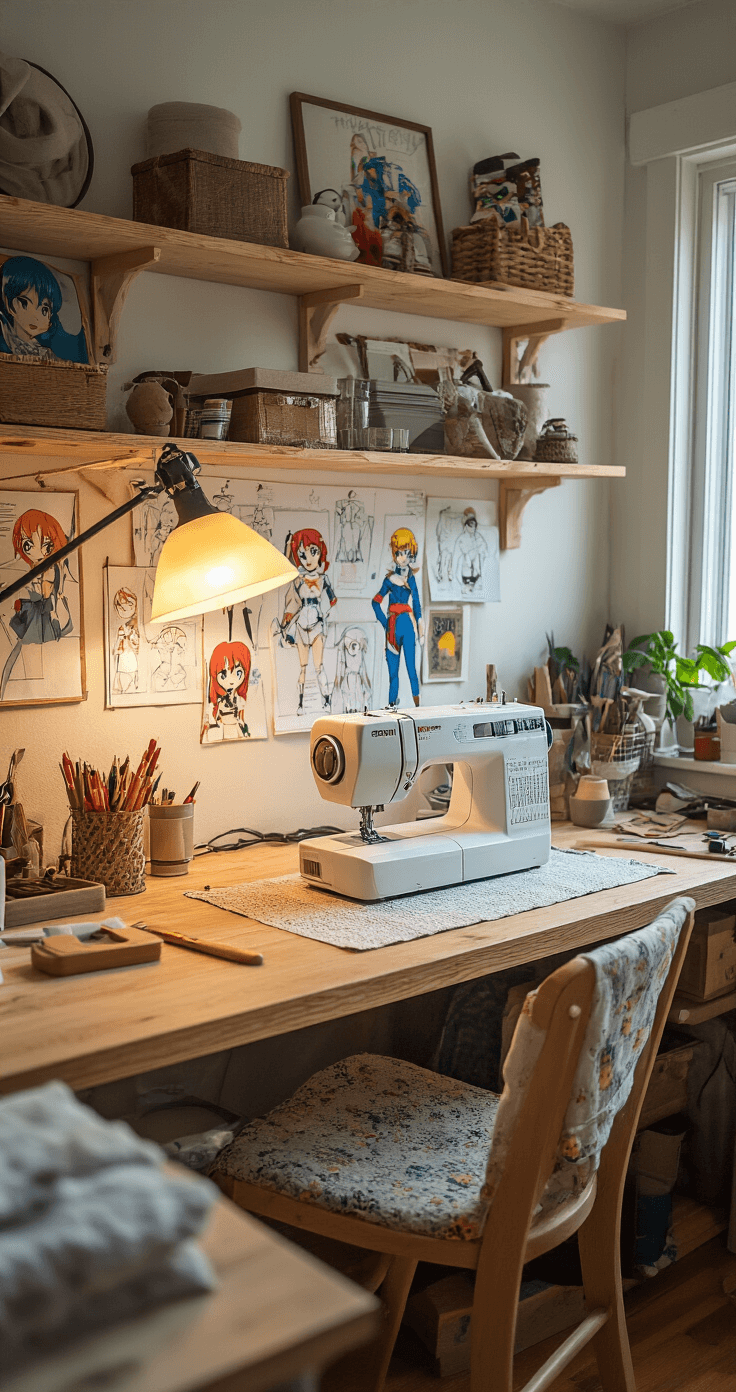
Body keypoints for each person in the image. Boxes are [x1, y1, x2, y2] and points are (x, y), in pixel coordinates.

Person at [0, 507, 74, 697]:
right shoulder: (38, 568)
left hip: (41, 618)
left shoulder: (50, 569)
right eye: (28, 545)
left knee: (30, 652)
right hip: (38, 615)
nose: (37, 551)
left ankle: (35, 686)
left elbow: (46, 598)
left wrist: (34, 593)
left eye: (45, 545)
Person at [278, 528, 336, 714]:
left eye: (313, 552)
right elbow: (291, 604)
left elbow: (333, 600)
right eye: (303, 554)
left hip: (318, 625)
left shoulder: (323, 578)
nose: (309, 559)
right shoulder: (297, 581)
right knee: (303, 667)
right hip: (302, 626)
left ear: (320, 552)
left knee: (318, 666)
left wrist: (326, 614)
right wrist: (286, 624)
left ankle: (326, 701)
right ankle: (301, 704)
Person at [372, 527, 423, 707]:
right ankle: (391, 707)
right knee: (393, 674)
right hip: (392, 630)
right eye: (399, 553)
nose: (403, 557)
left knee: (411, 671)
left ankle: (418, 708)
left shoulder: (412, 580)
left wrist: (421, 626)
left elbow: (417, 604)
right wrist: (385, 623)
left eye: (406, 553)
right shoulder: (389, 580)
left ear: (412, 554)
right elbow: (375, 602)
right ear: (394, 554)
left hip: (408, 628)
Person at [0, 255, 70, 360]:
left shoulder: (46, 353)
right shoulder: (5, 339)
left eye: (44, 310)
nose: (36, 317)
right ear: (10, 304)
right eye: (25, 304)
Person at [203, 640, 251, 740]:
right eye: (224, 675)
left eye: (238, 673)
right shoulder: (218, 700)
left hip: (235, 725)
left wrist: (242, 723)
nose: (231, 681)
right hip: (223, 727)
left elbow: (241, 713)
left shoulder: (239, 699)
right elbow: (215, 715)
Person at [451, 507, 488, 593]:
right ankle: (466, 585)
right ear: (466, 525)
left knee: (478, 555)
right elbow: (455, 558)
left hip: (476, 573)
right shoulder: (461, 539)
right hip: (464, 573)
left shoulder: (478, 537)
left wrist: (478, 551)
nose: (473, 528)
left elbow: (484, 550)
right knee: (464, 558)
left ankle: (476, 582)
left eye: (474, 525)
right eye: (471, 525)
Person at [111, 586, 139, 695]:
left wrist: (129, 637)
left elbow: (135, 645)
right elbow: (116, 649)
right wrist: (122, 637)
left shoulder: (133, 629)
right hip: (123, 658)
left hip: (130, 656)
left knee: (132, 678)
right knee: (123, 680)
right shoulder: (122, 628)